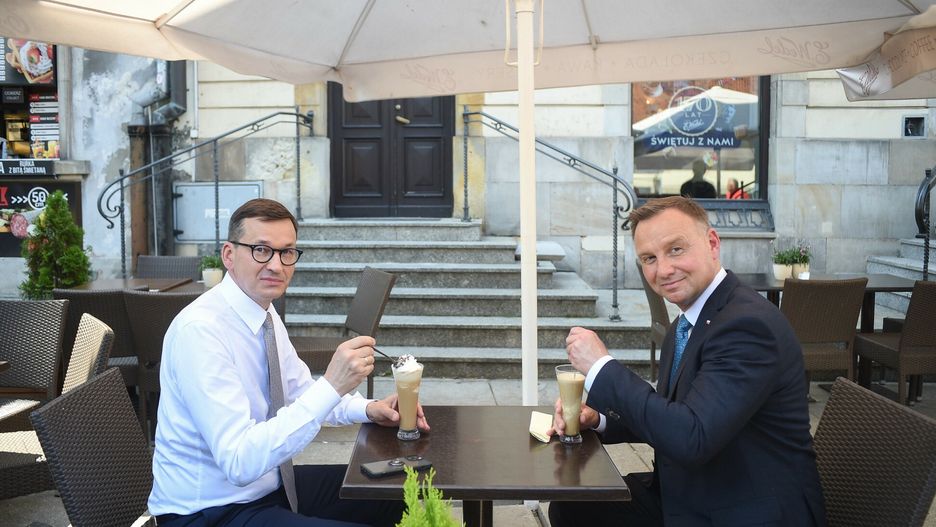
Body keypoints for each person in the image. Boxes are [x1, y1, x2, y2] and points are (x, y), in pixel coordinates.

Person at [548, 196, 826, 526]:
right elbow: (671, 414)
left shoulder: (748, 326)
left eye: (676, 250)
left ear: (712, 244)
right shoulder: (688, 322)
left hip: (747, 508)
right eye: (649, 258)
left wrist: (600, 367)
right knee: (572, 505)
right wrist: (597, 419)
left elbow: (690, 437)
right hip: (694, 490)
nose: (663, 269)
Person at [150, 198, 429, 527]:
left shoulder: (264, 313)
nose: (276, 265)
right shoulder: (201, 331)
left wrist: (369, 409)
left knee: (396, 490)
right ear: (228, 255)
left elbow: (299, 390)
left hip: (269, 486)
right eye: (261, 250)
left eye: (287, 252)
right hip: (210, 511)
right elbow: (239, 462)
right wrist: (332, 384)